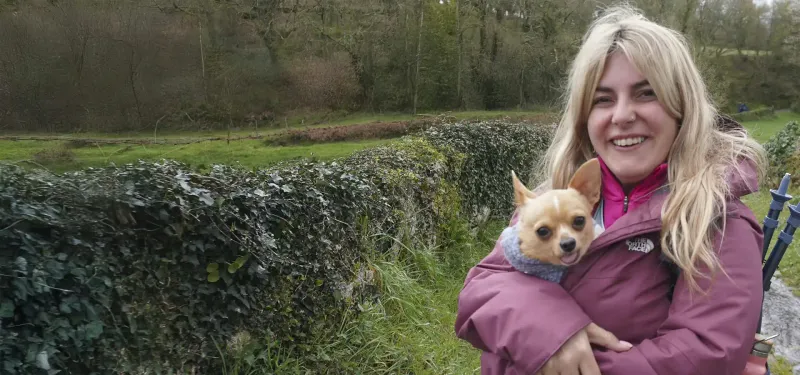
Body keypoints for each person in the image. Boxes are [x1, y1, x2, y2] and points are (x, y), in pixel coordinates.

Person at [454, 5, 768, 375]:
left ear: (682, 107)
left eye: (646, 93)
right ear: (584, 117)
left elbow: (704, 353)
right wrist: (551, 333)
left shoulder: (717, 219)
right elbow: (482, 288)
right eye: (603, 99)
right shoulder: (554, 200)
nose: (621, 116)